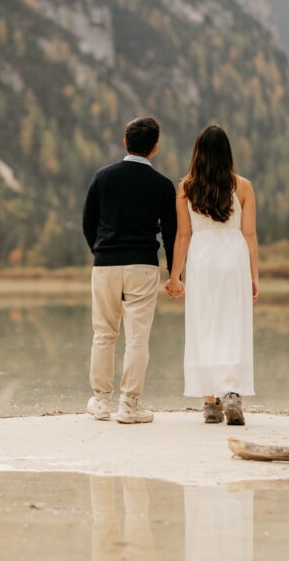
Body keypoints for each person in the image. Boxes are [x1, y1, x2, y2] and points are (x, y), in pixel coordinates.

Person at [82, 117, 177, 424]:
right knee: (137, 338)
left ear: (125, 143)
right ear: (155, 148)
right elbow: (171, 233)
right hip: (143, 266)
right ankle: (129, 405)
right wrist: (174, 273)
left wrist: (100, 251)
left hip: (106, 265)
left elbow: (88, 223)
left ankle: (100, 402)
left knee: (103, 334)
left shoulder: (102, 177)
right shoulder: (163, 185)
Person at [166, 124, 257, 425]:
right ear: (227, 154)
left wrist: (175, 276)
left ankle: (210, 404)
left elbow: (182, 235)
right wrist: (254, 276)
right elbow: (250, 234)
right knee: (233, 325)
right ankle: (232, 394)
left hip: (202, 261)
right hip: (234, 259)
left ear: (198, 153)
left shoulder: (186, 187)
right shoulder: (243, 187)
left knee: (204, 326)